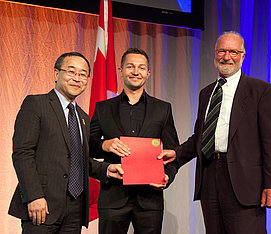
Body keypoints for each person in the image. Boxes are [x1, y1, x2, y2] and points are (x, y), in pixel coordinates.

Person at [159, 32, 271, 234]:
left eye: (233, 52)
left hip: (246, 183)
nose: (227, 56)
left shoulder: (261, 90)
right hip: (210, 177)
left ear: (242, 56)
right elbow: (200, 137)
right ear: (215, 54)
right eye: (222, 51)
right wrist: (177, 154)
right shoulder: (206, 93)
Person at [8, 52, 124, 233]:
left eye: (83, 74)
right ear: (56, 74)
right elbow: (23, 153)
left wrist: (107, 170)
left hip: (76, 209)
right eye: (71, 72)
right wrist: (34, 196)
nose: (77, 78)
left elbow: (78, 160)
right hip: (43, 205)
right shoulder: (36, 104)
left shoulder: (83, 118)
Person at [89, 48, 179, 234]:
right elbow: (87, 147)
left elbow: (173, 152)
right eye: (130, 67)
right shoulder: (103, 108)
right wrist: (104, 144)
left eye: (141, 67)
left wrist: (167, 177)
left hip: (150, 200)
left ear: (148, 73)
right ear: (121, 71)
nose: (136, 72)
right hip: (112, 196)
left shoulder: (163, 109)